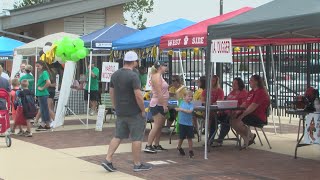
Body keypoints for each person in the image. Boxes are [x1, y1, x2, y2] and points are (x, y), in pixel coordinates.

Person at [102, 51, 152, 172]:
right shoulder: (134, 76)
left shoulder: (115, 75)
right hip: (134, 112)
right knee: (137, 138)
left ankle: (108, 159)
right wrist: (143, 110)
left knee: (118, 136)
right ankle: (137, 164)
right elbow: (139, 96)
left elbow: (111, 93)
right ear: (134, 62)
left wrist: (115, 106)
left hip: (121, 111)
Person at [231, 75, 270, 148]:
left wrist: (242, 115)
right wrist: (237, 111)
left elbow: (252, 107)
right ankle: (249, 137)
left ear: (256, 82)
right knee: (232, 119)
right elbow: (245, 103)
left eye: (251, 80)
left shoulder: (260, 92)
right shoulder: (251, 92)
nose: (249, 82)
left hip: (258, 116)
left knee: (237, 121)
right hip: (250, 114)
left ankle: (249, 137)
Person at [211, 78, 248, 147]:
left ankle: (219, 140)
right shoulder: (232, 92)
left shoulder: (244, 92)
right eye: (232, 83)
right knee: (214, 118)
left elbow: (244, 104)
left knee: (226, 121)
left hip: (235, 114)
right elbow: (227, 102)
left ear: (240, 84)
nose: (233, 85)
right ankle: (210, 139)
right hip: (226, 112)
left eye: (235, 83)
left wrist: (237, 111)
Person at [143, 61, 169, 153]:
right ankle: (148, 145)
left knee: (160, 126)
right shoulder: (157, 76)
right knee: (156, 125)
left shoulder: (159, 76)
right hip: (158, 103)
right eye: (165, 66)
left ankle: (156, 144)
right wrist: (164, 105)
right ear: (160, 67)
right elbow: (159, 92)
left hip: (161, 103)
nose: (166, 68)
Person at [201, 75, 224, 140]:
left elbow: (219, 102)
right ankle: (209, 134)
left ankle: (210, 137)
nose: (211, 82)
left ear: (216, 81)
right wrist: (206, 103)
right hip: (207, 110)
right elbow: (202, 100)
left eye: (213, 80)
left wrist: (210, 103)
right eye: (210, 80)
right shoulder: (206, 90)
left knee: (212, 118)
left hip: (217, 111)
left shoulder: (220, 91)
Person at [175, 91, 195, 158]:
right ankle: (179, 147)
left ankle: (191, 150)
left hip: (189, 124)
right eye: (189, 96)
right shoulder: (181, 102)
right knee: (181, 137)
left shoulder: (191, 105)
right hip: (182, 123)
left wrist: (181, 109)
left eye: (191, 96)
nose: (190, 98)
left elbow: (190, 111)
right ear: (184, 97)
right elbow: (177, 93)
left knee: (190, 138)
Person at [35, 61, 51, 131]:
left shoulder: (44, 73)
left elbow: (48, 82)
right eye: (36, 66)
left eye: (38, 66)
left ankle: (43, 123)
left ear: (42, 65)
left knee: (43, 109)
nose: (37, 68)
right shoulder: (43, 72)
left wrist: (42, 88)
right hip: (41, 94)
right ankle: (46, 124)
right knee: (44, 109)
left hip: (43, 93)